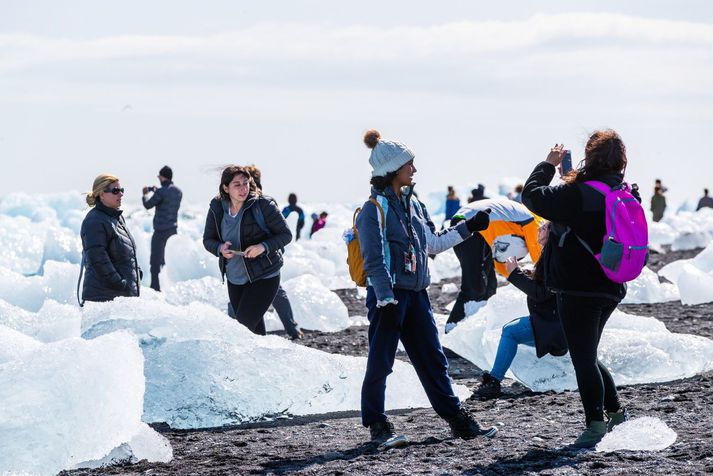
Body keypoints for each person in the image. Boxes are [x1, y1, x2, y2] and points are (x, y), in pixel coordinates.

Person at [356, 128, 497, 442]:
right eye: (410, 164)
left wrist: (468, 228)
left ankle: (459, 421)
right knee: (381, 362)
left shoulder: (415, 206)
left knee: (433, 358)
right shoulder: (372, 211)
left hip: (417, 296)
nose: (415, 170)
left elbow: (432, 244)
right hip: (389, 298)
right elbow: (374, 261)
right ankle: (378, 427)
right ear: (393, 170)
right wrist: (386, 301)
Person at [521, 130, 633, 448]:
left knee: (583, 358)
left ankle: (595, 424)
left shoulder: (578, 194)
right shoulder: (620, 190)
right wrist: (568, 175)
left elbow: (531, 196)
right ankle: (615, 413)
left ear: (590, 157)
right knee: (588, 354)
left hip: (579, 289)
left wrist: (547, 164)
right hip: (611, 285)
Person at [476, 221, 568, 399]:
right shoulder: (552, 253)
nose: (539, 229)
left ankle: (494, 381)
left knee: (510, 332)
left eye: (545, 227)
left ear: (554, 233)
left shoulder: (554, 256)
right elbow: (545, 285)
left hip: (552, 323)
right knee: (511, 332)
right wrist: (524, 273)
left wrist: (513, 274)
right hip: (551, 320)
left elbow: (541, 293)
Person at [202, 166, 292, 335]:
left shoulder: (263, 204)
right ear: (226, 188)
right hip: (234, 279)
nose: (243, 189)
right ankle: (263, 360)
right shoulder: (217, 207)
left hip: (264, 276)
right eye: (237, 185)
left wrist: (262, 247)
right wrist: (220, 248)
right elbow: (208, 240)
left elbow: (286, 235)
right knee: (254, 335)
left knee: (242, 330)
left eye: (246, 183)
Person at [445, 198, 543, 333]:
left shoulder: (513, 227)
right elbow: (540, 263)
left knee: (490, 287)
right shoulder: (535, 226)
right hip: (471, 224)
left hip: (473, 225)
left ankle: (476, 330)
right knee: (474, 287)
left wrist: (516, 276)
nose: (517, 259)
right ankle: (452, 332)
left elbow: (502, 264)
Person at [244, 164, 304, 340]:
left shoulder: (258, 201)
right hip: (270, 252)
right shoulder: (267, 201)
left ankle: (246, 331)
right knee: (273, 292)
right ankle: (291, 329)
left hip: (262, 254)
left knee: (258, 292)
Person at [79, 174, 141, 304]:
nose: (121, 194)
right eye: (115, 191)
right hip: (103, 300)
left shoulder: (116, 218)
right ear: (102, 194)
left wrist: (137, 272)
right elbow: (97, 258)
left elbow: (124, 252)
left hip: (119, 298)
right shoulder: (94, 221)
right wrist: (119, 284)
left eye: (121, 190)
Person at [142, 165, 183, 292]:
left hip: (160, 231)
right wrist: (157, 191)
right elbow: (166, 197)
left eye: (159, 176)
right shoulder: (178, 191)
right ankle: (169, 288)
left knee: (155, 261)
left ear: (162, 176)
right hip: (173, 231)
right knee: (167, 261)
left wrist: (145, 195)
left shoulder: (160, 192)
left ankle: (155, 288)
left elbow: (148, 205)